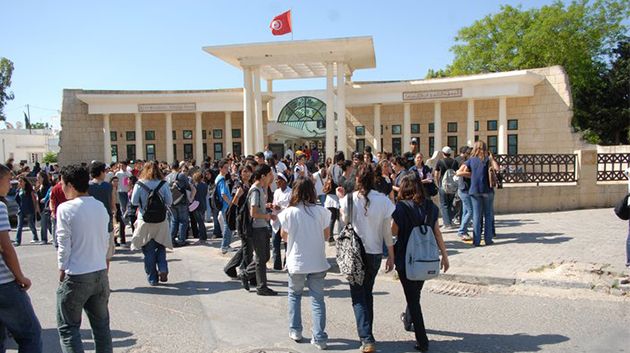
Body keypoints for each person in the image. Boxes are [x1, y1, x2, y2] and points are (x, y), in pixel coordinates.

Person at [338, 164, 395, 353]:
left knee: (358, 295)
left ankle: (367, 338)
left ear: (357, 180)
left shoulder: (349, 199)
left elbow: (345, 223)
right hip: (375, 252)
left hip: (355, 253)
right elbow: (387, 231)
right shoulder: (384, 201)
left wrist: (341, 202)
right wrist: (391, 254)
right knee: (367, 292)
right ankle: (368, 333)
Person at [56, 165, 112, 352]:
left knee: (68, 328)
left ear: (70, 185)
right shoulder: (100, 206)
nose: (61, 187)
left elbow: (64, 243)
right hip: (99, 272)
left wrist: (62, 267)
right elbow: (105, 239)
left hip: (77, 273)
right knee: (102, 328)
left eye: (62, 184)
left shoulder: (65, 208)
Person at [391, 175, 449, 352]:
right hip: (426, 258)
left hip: (405, 259)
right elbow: (437, 232)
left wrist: (390, 255)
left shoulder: (401, 208)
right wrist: (445, 256)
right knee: (415, 292)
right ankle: (408, 320)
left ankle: (422, 340)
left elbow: (393, 232)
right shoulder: (430, 207)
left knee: (413, 298)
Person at [278, 177, 331, 350]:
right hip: (317, 260)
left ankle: (295, 330)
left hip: (297, 260)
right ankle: (320, 337)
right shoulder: (322, 212)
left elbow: (283, 236)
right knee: (317, 300)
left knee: (295, 295)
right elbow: (327, 236)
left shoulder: (289, 212)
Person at [0, 164, 42, 353]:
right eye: (8, 180)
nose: (11, 184)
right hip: (4, 284)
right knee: (30, 334)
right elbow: (6, 248)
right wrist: (20, 277)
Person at [130, 161, 173, 286]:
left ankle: (152, 278)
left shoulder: (139, 184)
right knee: (161, 246)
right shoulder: (163, 184)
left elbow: (133, 202)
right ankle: (163, 268)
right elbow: (169, 201)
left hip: (145, 220)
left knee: (148, 250)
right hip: (161, 220)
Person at [456, 141, 499, 246]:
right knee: (488, 215)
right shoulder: (488, 159)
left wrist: (472, 174)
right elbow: (497, 169)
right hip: (487, 190)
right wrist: (491, 158)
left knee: (476, 216)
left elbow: (459, 172)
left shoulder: (471, 160)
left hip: (474, 191)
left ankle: (476, 241)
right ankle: (488, 240)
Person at [248, 164, 278, 296]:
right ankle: (261, 286)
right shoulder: (255, 190)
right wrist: (267, 215)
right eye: (270, 175)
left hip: (262, 227)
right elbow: (253, 213)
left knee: (265, 256)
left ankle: (245, 274)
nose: (271, 177)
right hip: (257, 228)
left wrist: (266, 206)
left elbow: (258, 207)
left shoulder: (260, 189)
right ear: (263, 176)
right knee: (261, 258)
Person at [88, 161, 116, 262]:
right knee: (107, 254)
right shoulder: (109, 186)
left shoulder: (88, 186)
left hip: (91, 221)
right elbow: (113, 205)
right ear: (100, 172)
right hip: (106, 220)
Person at [166, 161, 194, 247]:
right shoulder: (181, 175)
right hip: (181, 200)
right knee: (183, 221)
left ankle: (172, 239)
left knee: (174, 220)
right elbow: (188, 187)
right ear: (178, 167)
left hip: (171, 201)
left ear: (171, 167)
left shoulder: (167, 177)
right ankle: (182, 240)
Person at [433, 146, 459, 229]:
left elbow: (436, 174)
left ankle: (447, 223)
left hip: (443, 186)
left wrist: (438, 184)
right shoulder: (455, 162)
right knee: (451, 204)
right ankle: (450, 220)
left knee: (444, 205)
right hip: (453, 186)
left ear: (443, 153)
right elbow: (457, 173)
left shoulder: (440, 162)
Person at [271, 173, 291, 270]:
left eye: (277, 180)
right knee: (275, 243)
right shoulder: (276, 192)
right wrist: (272, 206)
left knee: (287, 244)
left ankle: (287, 264)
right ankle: (277, 266)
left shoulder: (290, 193)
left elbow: (291, 208)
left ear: (283, 180)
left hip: (286, 222)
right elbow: (275, 203)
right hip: (276, 221)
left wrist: (281, 208)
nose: (276, 182)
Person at [14, 176, 39, 246]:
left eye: (21, 181)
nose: (20, 183)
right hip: (21, 210)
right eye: (19, 181)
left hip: (29, 209)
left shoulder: (29, 190)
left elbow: (34, 200)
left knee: (30, 224)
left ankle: (35, 236)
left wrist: (35, 209)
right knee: (19, 226)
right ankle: (17, 241)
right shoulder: (19, 190)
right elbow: (17, 199)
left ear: (25, 182)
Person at [215, 159, 234, 253]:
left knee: (228, 225)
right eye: (225, 168)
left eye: (228, 167)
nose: (227, 169)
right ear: (220, 168)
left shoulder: (218, 178)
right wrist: (231, 203)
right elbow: (223, 194)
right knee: (228, 226)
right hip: (226, 205)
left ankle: (226, 245)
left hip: (224, 205)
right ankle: (224, 245)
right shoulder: (222, 179)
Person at [456, 148, 473, 240]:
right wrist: (471, 174)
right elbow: (459, 173)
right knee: (471, 211)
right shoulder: (467, 163)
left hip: (465, 190)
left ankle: (464, 231)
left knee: (466, 212)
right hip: (464, 190)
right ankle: (462, 231)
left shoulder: (467, 162)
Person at [49, 177, 68, 248]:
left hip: (57, 212)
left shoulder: (54, 188)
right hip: (65, 212)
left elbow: (51, 201)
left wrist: (52, 211)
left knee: (55, 227)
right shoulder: (68, 188)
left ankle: (56, 242)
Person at [191, 172, 208, 244]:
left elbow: (192, 195)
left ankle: (202, 237)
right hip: (203, 204)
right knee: (202, 221)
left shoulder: (195, 185)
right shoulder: (205, 185)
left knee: (200, 222)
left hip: (196, 205)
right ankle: (204, 236)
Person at [36, 172, 52, 244]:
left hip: (47, 207)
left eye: (39, 177)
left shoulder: (48, 186)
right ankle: (45, 239)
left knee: (47, 224)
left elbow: (49, 197)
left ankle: (47, 238)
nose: (37, 179)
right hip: (41, 207)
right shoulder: (39, 186)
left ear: (43, 178)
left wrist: (44, 200)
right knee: (45, 224)